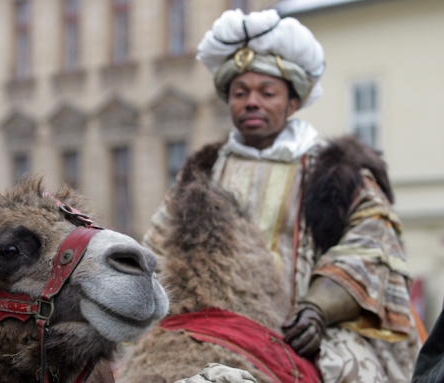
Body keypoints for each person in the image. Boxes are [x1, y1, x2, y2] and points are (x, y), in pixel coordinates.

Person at [143, 9, 422, 383]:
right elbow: (160, 243)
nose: (252, 102)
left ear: (292, 103)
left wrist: (320, 308)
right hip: (209, 325)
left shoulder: (337, 171)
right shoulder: (203, 173)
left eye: (267, 92)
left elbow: (372, 243)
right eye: (240, 93)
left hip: (309, 328)